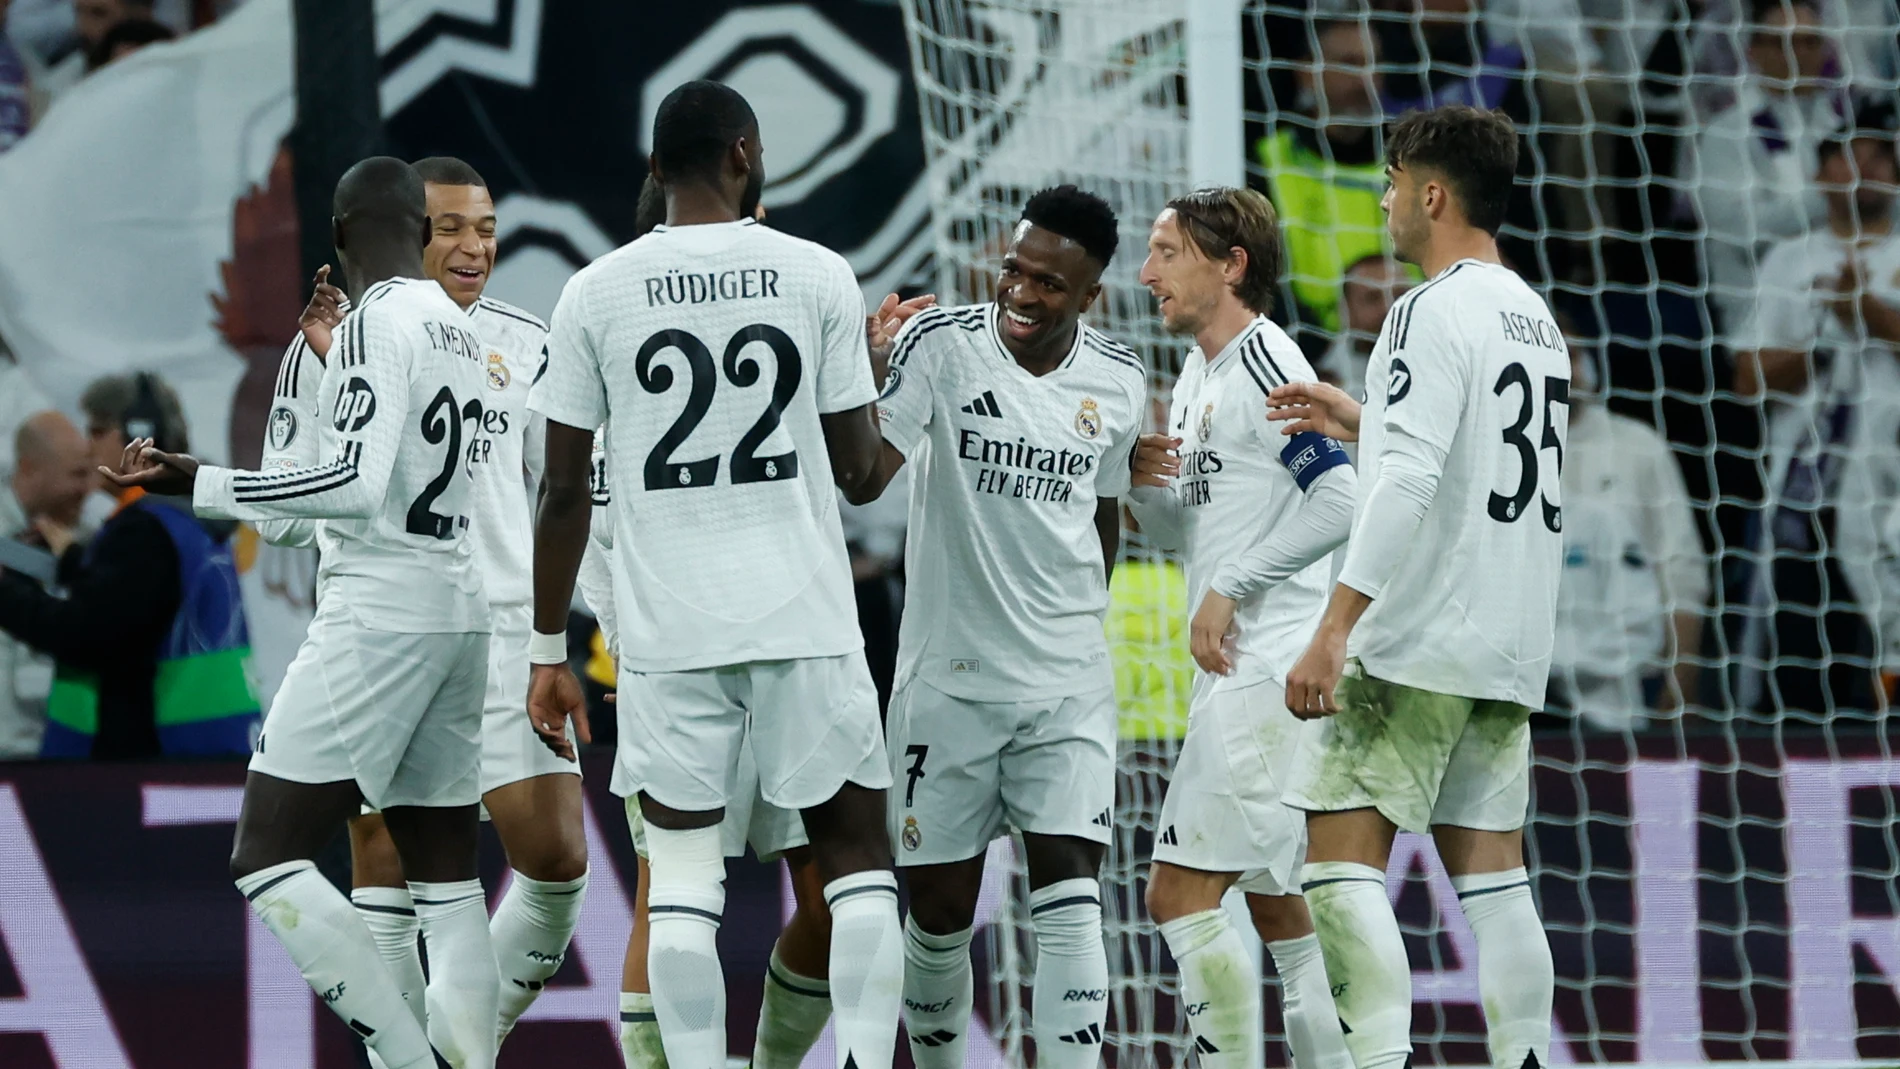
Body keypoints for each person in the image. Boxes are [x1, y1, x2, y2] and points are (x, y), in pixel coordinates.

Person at [525, 81, 904, 1069]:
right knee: (858, 869)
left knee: (685, 885)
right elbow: (861, 472)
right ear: (746, 153)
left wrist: (546, 649)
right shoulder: (816, 272)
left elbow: (562, 493)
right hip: (806, 618)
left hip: (670, 632)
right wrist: (897, 390)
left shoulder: (593, 291)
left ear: (655, 168)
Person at [106, 156, 500, 1069]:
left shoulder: (372, 326)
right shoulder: (460, 328)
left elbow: (352, 490)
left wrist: (198, 479)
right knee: (448, 883)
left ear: (337, 234)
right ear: (422, 230)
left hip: (380, 612)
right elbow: (289, 518)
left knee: (268, 853)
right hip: (459, 607)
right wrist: (307, 376)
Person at [596, 170, 930, 1069]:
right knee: (683, 894)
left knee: (768, 894)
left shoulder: (613, 306)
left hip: (723, 644)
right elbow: (586, 518)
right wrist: (618, 642)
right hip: (731, 642)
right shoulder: (632, 318)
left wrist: (857, 368)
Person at [265, 156, 589, 1059]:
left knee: (558, 863)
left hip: (505, 634)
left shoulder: (527, 342)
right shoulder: (336, 340)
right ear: (411, 234)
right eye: (450, 228)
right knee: (391, 866)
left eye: (486, 228)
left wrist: (574, 632)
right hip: (392, 627)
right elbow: (290, 511)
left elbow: (568, 498)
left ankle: (453, 1049)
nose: (473, 246)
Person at [1268, 105, 1564, 1069]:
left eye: (1391, 184)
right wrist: (1367, 418)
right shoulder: (1535, 318)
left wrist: (1334, 627)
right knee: (1496, 878)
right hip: (1508, 639)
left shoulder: (1425, 308)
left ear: (1432, 195)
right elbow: (1474, 451)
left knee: (1338, 866)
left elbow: (1407, 484)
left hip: (1420, 634)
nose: (1385, 202)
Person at [837, 185, 1144, 1069]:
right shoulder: (941, 344)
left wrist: (1072, 618)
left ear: (1090, 295)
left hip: (1066, 686)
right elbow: (865, 478)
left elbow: (1104, 513)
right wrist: (859, 372)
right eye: (1015, 268)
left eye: (1049, 283)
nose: (1021, 291)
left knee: (1072, 900)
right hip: (948, 684)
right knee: (938, 918)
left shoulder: (1119, 378)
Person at [1123, 187, 1356, 1069]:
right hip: (1243, 673)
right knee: (1284, 913)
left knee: (1177, 894)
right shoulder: (1198, 374)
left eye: (1166, 253)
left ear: (1231, 265)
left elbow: (1339, 498)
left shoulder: (1266, 363)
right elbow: (1198, 527)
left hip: (1262, 671)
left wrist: (1230, 585)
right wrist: (1143, 489)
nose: (1146, 274)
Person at [1732, 105, 1900, 721]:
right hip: (1806, 492)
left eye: (1880, 158)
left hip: (1892, 489)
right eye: (1849, 156)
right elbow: (1747, 381)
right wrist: (1825, 345)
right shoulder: (1789, 259)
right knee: (1802, 667)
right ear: (1820, 173)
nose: (1865, 169)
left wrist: (1867, 311)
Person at [0, 375, 258, 759]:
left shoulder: (147, 530)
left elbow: (85, 634)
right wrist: (73, 560)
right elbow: (132, 602)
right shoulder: (182, 518)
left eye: (96, 431)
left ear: (137, 436)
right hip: (200, 746)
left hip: (157, 756)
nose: (88, 449)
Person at [1550, 313, 1709, 731]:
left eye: (1573, 354)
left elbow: (1682, 571)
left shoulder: (1638, 447)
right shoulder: (1496, 455)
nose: (1565, 368)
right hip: (1523, 696)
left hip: (1629, 692)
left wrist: (1682, 683)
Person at [1687, 0, 1842, 341]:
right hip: (1759, 315)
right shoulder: (1726, 134)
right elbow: (1742, 234)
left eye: (1809, 42)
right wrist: (1831, 196)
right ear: (1753, 50)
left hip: (1844, 303)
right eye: (1782, 42)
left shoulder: (1842, 127)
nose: (1798, 53)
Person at [1256, 14, 1389, 341]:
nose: (1366, 78)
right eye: (1350, 63)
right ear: (1307, 73)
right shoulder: (1269, 160)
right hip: (1306, 349)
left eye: (1374, 63)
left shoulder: (1415, 159)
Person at [0, 411, 91, 757]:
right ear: (29, 468)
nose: (86, 489)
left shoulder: (87, 542)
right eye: (76, 475)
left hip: (56, 755)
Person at [1317, 253, 1413, 401]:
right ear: (1347, 310)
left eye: (1400, 294)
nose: (1389, 307)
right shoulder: (1327, 385)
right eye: (1373, 298)